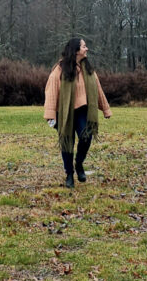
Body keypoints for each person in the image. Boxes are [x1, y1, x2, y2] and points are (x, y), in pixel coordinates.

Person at [44, 37, 112, 188]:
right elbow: (51, 92)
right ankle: (69, 174)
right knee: (67, 143)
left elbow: (98, 89)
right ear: (76, 51)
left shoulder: (88, 69)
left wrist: (105, 109)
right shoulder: (59, 70)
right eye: (83, 47)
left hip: (83, 110)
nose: (86, 49)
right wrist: (50, 116)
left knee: (86, 137)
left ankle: (79, 164)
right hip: (64, 112)